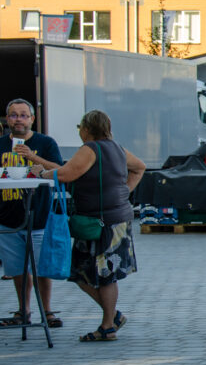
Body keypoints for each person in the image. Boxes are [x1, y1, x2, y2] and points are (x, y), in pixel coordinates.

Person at [36, 110, 145, 342]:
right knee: (87, 273)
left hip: (100, 222)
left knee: (101, 275)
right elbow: (140, 167)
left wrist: (42, 173)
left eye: (80, 128)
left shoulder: (90, 149)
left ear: (86, 128)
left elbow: (65, 175)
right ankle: (112, 317)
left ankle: (108, 325)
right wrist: (125, 190)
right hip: (113, 219)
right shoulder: (116, 147)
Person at [1, 98, 64, 328]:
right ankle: (23, 311)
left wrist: (33, 157)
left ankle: (47, 311)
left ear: (32, 119)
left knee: (41, 268)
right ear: (7, 119)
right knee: (17, 270)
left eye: (23, 115)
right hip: (8, 219)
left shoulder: (45, 143)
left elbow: (60, 170)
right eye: (14, 115)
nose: (18, 119)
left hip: (38, 217)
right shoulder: (0, 144)